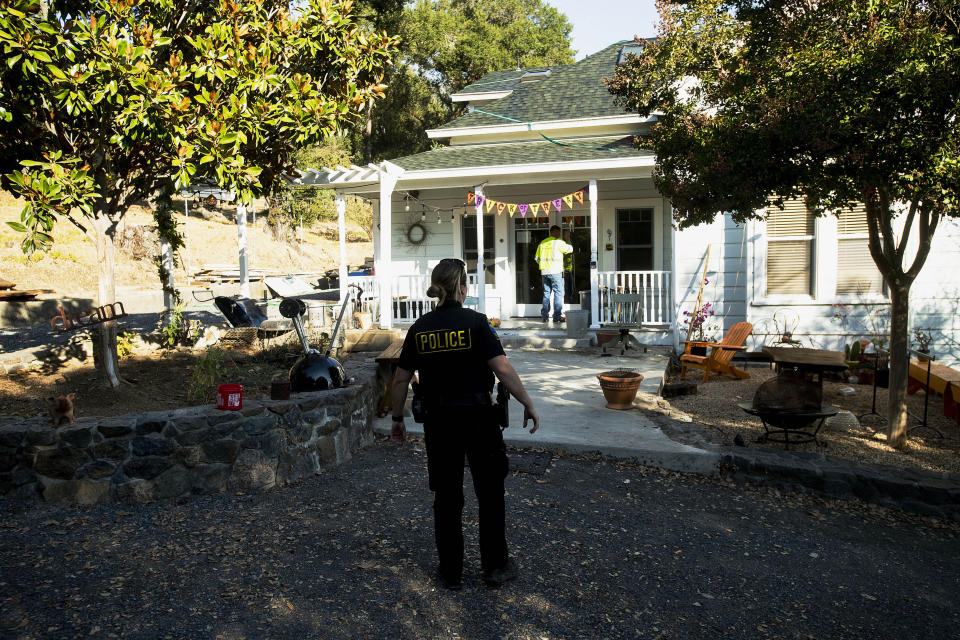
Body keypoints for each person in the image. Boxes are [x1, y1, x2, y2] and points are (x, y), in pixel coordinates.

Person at [389, 258, 540, 591]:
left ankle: (451, 571)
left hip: (439, 423)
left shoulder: (420, 328)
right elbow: (502, 369)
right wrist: (527, 402)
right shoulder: (476, 323)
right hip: (479, 420)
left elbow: (401, 380)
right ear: (463, 288)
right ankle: (495, 568)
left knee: (446, 496)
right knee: (489, 494)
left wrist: (397, 418)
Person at [534, 225, 573, 323]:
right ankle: (556, 317)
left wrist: (545, 266)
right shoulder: (559, 242)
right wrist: (567, 239)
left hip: (544, 272)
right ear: (557, 232)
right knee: (558, 294)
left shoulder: (542, 243)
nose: (558, 234)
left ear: (550, 232)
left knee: (546, 294)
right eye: (558, 233)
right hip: (556, 271)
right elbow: (570, 250)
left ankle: (545, 317)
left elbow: (537, 259)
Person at [562, 229, 574, 302]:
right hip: (564, 269)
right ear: (563, 235)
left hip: (569, 268)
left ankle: (569, 300)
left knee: (570, 287)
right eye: (567, 234)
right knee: (566, 287)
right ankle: (566, 301)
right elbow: (569, 252)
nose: (568, 236)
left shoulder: (569, 241)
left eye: (569, 234)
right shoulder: (563, 243)